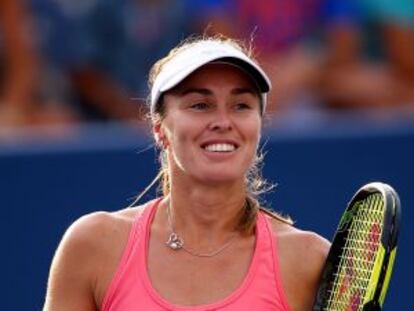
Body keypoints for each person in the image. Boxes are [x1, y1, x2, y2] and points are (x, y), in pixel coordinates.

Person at [43, 35, 330, 311]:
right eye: (200, 105)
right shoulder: (92, 246)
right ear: (159, 128)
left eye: (240, 106)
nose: (222, 121)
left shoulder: (308, 259)